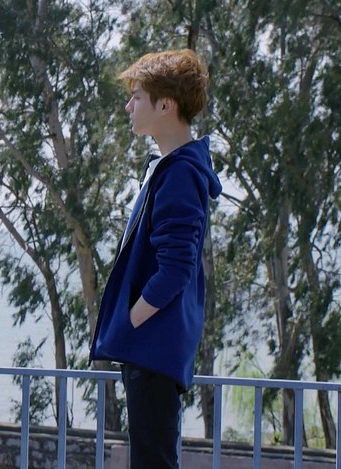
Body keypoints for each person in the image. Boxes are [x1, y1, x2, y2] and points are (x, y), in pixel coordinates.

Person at [89, 49, 222, 468]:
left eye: (137, 97)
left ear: (166, 105)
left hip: (152, 347)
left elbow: (176, 269)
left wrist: (131, 320)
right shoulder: (170, 167)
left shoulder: (179, 173)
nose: (128, 107)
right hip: (152, 348)